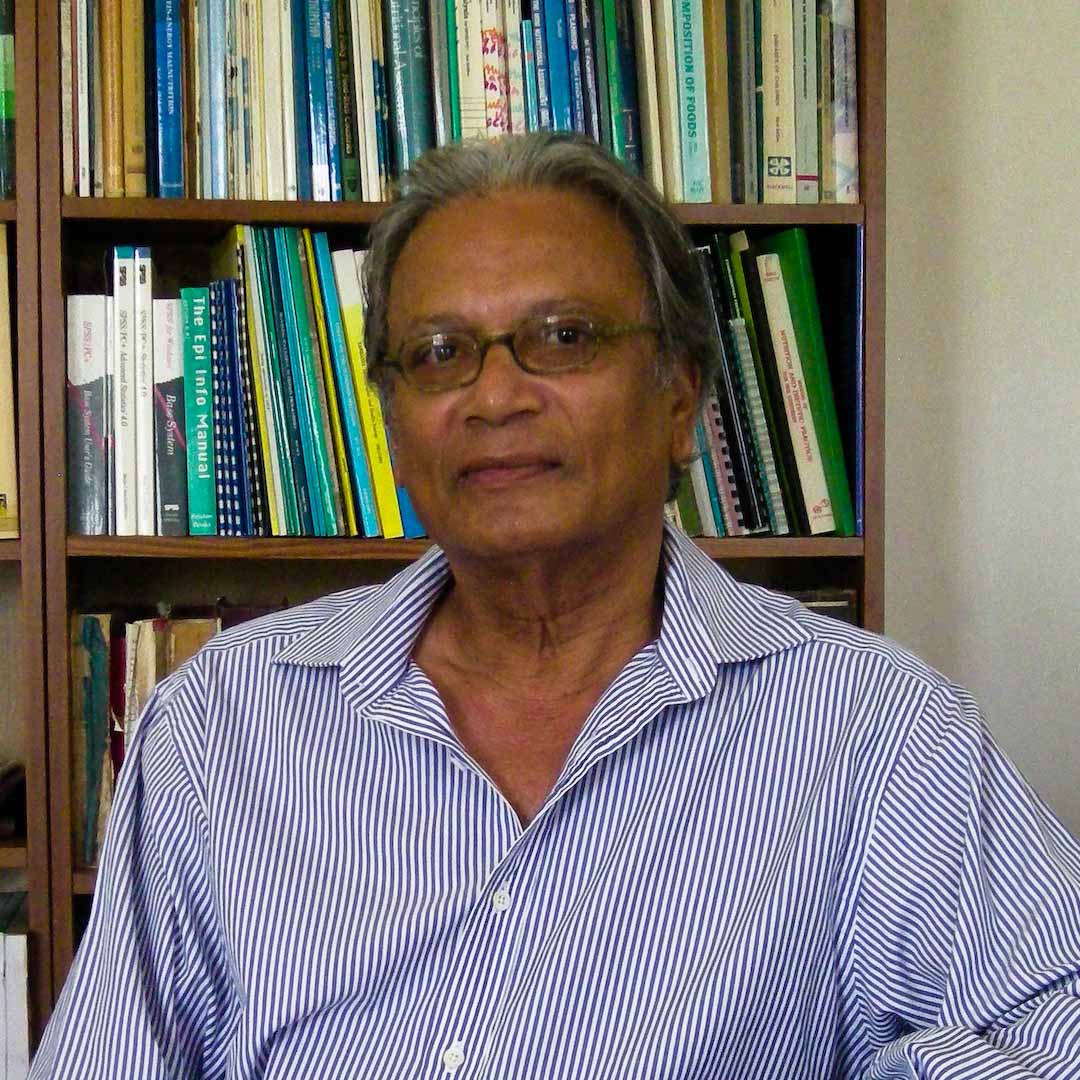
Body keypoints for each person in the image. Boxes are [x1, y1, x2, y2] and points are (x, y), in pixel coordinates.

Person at [31, 132, 1080, 1078]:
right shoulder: (221, 722)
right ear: (392, 421)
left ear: (680, 396)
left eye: (565, 337)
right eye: (440, 353)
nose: (495, 396)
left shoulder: (879, 733)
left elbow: (1051, 1036)